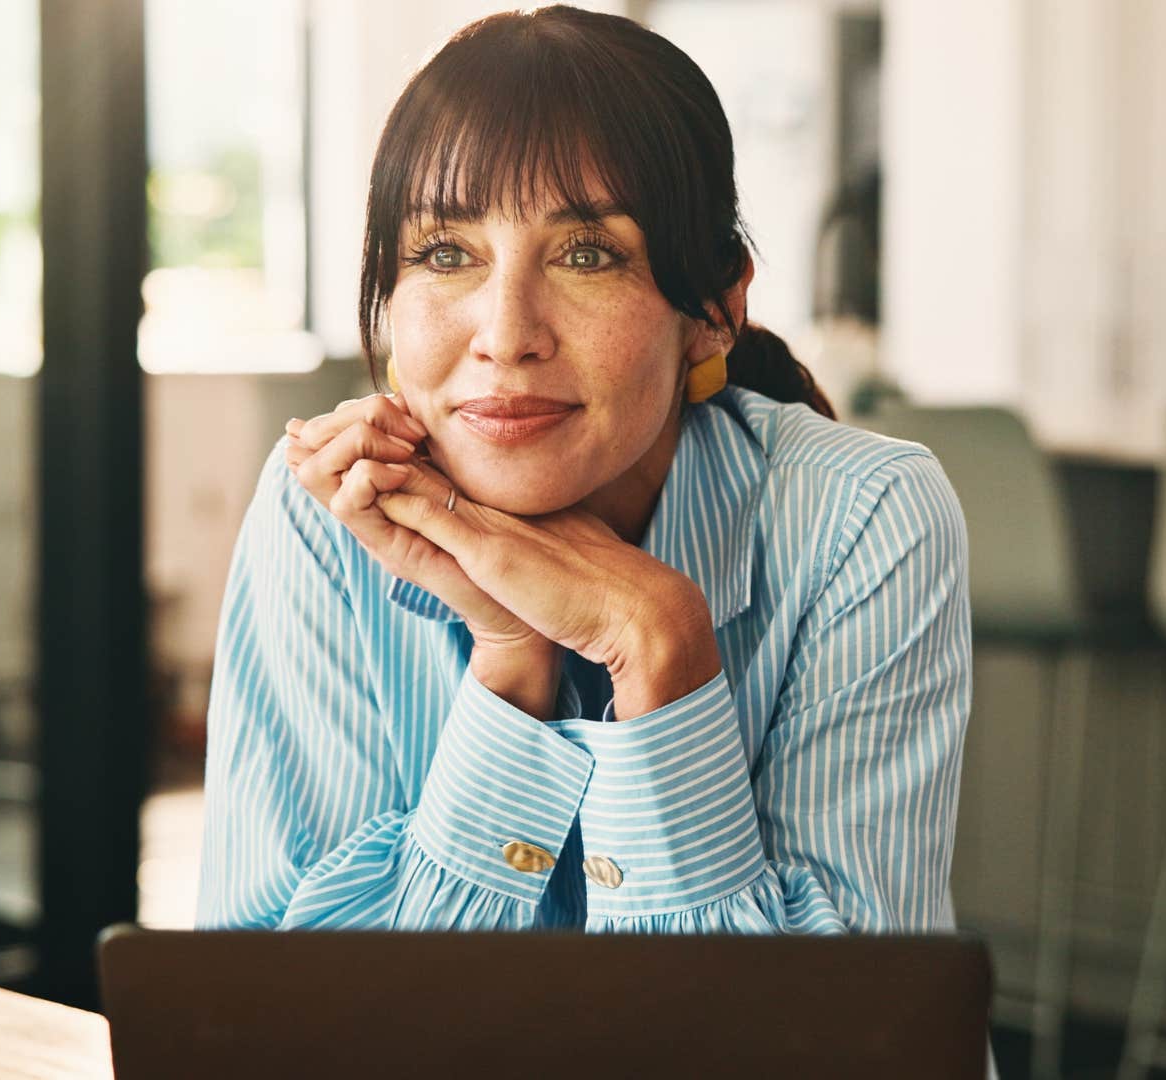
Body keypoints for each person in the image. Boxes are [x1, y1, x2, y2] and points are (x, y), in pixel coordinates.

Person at [195, 5, 971, 935]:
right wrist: (510, 661)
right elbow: (283, 1020)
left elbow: (840, 1040)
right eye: (446, 254)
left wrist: (656, 642)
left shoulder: (863, 515)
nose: (506, 335)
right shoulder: (330, 509)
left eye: (587, 253)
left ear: (716, 310)